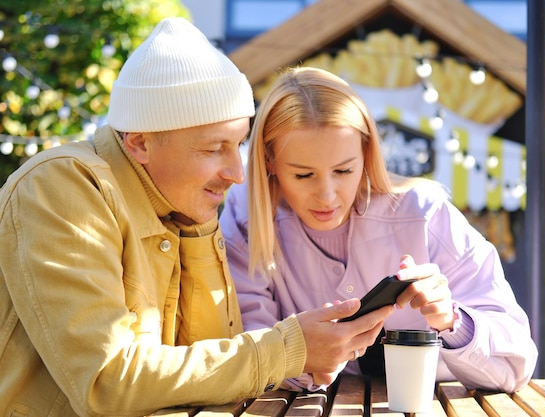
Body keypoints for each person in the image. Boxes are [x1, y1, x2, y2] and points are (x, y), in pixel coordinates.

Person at [0, 19, 393, 417]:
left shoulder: (179, 201)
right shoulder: (61, 186)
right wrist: (290, 349)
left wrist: (199, 226)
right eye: (213, 149)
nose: (237, 173)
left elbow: (210, 363)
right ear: (139, 143)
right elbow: (107, 383)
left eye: (238, 144)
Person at [220, 66, 539, 393]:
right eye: (303, 175)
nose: (327, 195)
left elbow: (515, 366)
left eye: (344, 170)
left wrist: (453, 321)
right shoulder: (245, 216)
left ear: (367, 153)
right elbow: (248, 357)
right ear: (269, 162)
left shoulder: (425, 213)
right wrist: (304, 354)